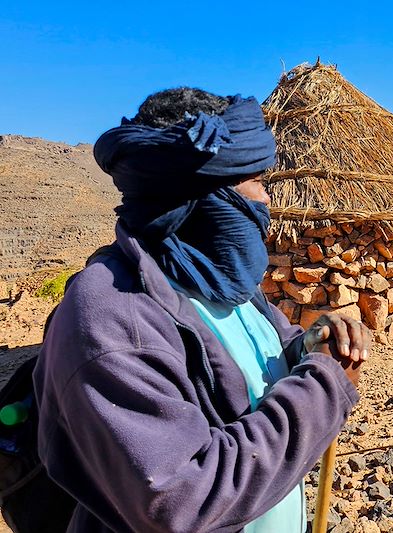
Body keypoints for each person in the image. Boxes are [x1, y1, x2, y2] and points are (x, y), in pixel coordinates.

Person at [33, 87, 371, 532]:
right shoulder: (113, 320)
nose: (266, 200)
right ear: (204, 193)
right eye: (255, 181)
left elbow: (263, 357)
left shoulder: (215, 279)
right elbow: (181, 501)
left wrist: (312, 343)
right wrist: (325, 386)